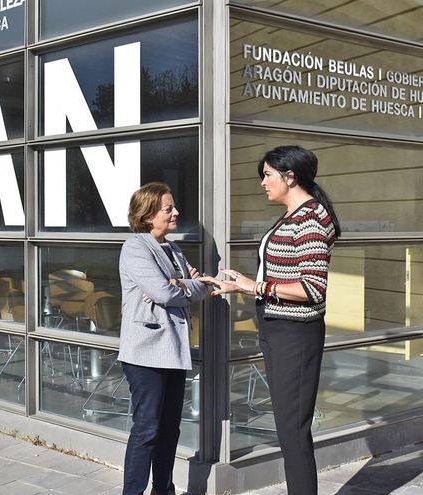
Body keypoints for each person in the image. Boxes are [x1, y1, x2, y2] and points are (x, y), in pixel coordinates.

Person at [202, 145, 340, 494]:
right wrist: (240, 286)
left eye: (267, 175)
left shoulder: (309, 218)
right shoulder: (292, 215)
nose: (263, 183)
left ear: (289, 176)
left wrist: (255, 285)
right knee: (288, 427)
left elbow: (312, 288)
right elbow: (282, 276)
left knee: (293, 429)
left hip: (295, 333)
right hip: (279, 329)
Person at [118, 181, 208, 495]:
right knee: (147, 429)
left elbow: (195, 288)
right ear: (147, 215)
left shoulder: (174, 249)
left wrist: (180, 284)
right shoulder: (135, 247)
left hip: (173, 350)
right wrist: (180, 286)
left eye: (172, 207)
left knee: (170, 429)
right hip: (145, 353)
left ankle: (164, 490)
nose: (175, 213)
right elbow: (163, 291)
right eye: (168, 208)